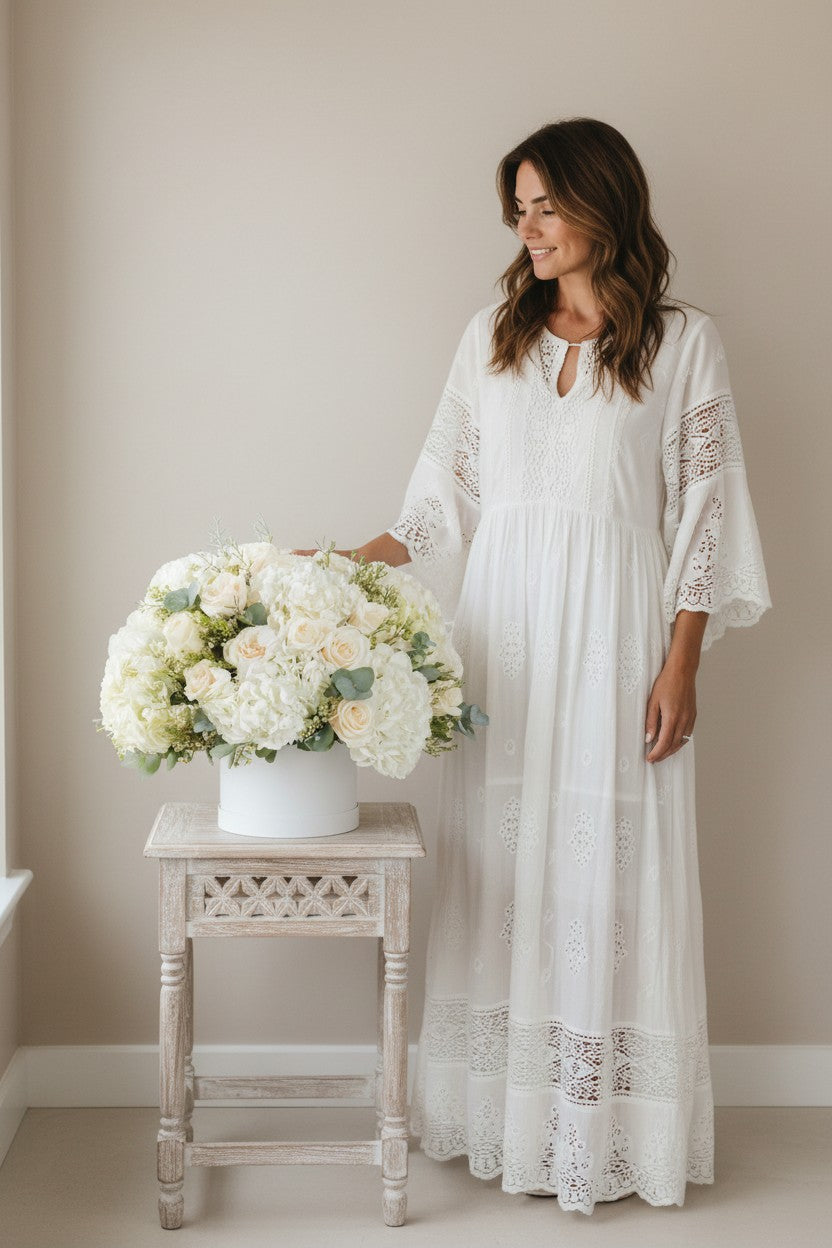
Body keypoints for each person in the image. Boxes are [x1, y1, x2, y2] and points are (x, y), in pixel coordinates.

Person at [294, 116, 772, 1214]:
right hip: (502, 641)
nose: (528, 227)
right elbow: (438, 500)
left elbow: (704, 520)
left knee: (606, 871)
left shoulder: (682, 343)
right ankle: (496, 1116)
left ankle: (599, 1129)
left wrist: (681, 662)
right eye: (518, 208)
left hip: (615, 641)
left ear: (605, 202)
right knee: (504, 876)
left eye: (545, 205)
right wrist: (348, 560)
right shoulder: (493, 335)